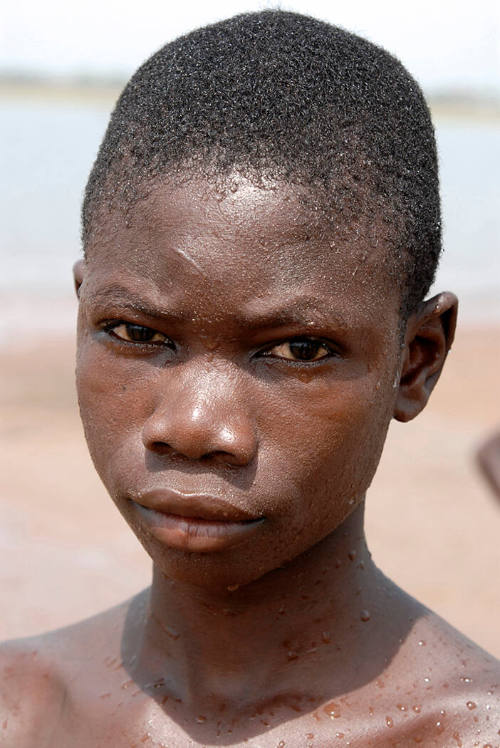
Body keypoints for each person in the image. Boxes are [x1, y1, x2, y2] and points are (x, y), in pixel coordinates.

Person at [1, 10, 498, 746]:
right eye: (137, 334)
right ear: (83, 314)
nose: (196, 428)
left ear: (415, 361)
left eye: (298, 351)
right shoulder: (18, 708)